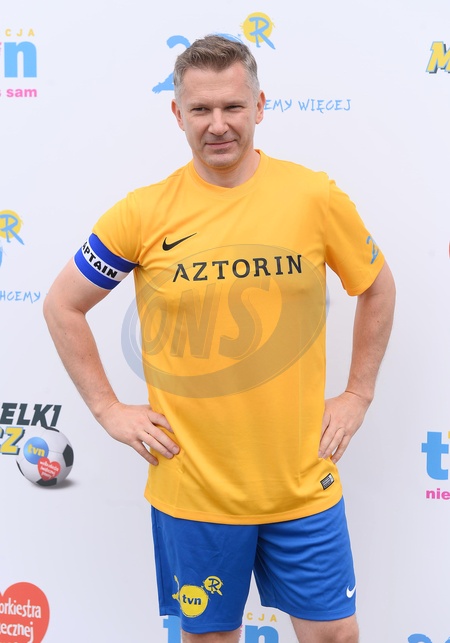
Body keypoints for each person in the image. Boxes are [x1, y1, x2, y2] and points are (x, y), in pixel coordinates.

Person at [43, 35, 395, 643]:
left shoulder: (313, 197)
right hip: (195, 491)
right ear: (177, 114)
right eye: (200, 109)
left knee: (336, 635)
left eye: (232, 106)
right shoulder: (143, 212)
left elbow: (378, 288)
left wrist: (358, 394)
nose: (218, 124)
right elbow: (62, 305)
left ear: (259, 105)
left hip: (302, 483)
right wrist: (107, 408)